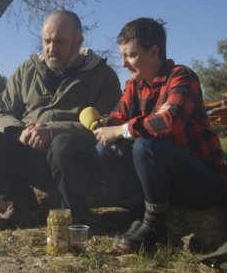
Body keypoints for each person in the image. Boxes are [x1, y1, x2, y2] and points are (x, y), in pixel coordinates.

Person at [0, 10, 121, 230]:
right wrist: (19, 132)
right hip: (32, 156)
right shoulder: (27, 71)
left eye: (60, 42)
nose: (51, 48)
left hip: (76, 164)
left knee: (62, 144)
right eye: (47, 41)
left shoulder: (102, 76)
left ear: (78, 42)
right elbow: (0, 112)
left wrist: (53, 131)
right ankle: (22, 205)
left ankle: (76, 215)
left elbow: (108, 124)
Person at [93, 17, 227, 252]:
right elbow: (115, 120)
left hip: (203, 179)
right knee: (106, 148)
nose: (124, 63)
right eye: (122, 56)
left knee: (148, 145)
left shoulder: (182, 77)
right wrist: (103, 126)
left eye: (131, 55)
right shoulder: (134, 86)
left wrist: (122, 129)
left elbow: (169, 121)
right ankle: (140, 213)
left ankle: (156, 225)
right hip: (163, 180)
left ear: (153, 51)